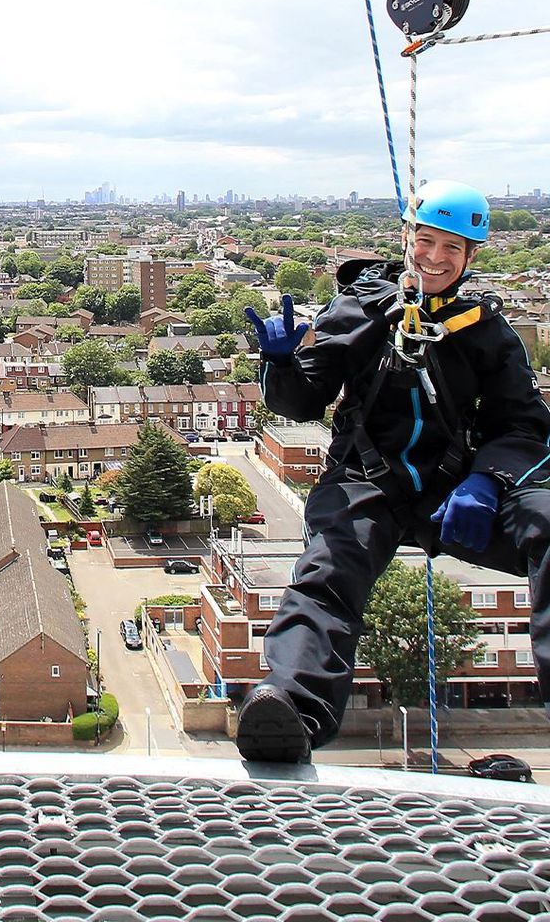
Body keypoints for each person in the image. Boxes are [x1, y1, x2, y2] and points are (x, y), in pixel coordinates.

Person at [236, 180, 550, 762]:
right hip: (366, 481)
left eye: (451, 249)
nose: (434, 258)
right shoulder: (362, 309)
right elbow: (306, 401)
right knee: (329, 568)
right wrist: (280, 366)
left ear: (470, 258)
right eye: (425, 241)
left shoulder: (485, 332)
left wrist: (490, 480)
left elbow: (524, 426)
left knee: (547, 521)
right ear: (406, 238)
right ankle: (290, 708)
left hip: (455, 490)